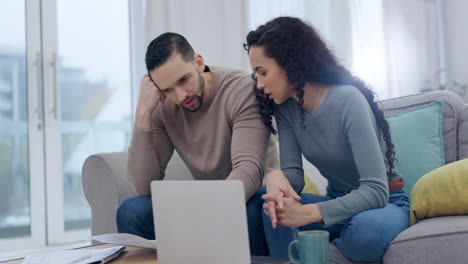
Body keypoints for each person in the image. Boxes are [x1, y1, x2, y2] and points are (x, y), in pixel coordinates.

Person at [244, 17, 409, 262]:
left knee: (367, 232)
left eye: (263, 72)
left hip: (383, 205)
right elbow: (295, 178)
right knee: (263, 204)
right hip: (337, 202)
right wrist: (276, 178)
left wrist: (311, 213)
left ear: (289, 64)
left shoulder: (348, 100)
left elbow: (376, 191)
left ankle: (323, 245)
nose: (259, 84)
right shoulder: (285, 108)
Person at [116, 32, 276, 256]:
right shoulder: (162, 105)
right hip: (206, 202)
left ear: (199, 63)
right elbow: (144, 185)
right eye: (168, 89)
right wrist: (143, 115)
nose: (180, 96)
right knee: (131, 211)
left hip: (249, 196)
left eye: (183, 80)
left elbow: (248, 169)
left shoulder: (241, 89)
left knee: (250, 210)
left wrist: (206, 215)